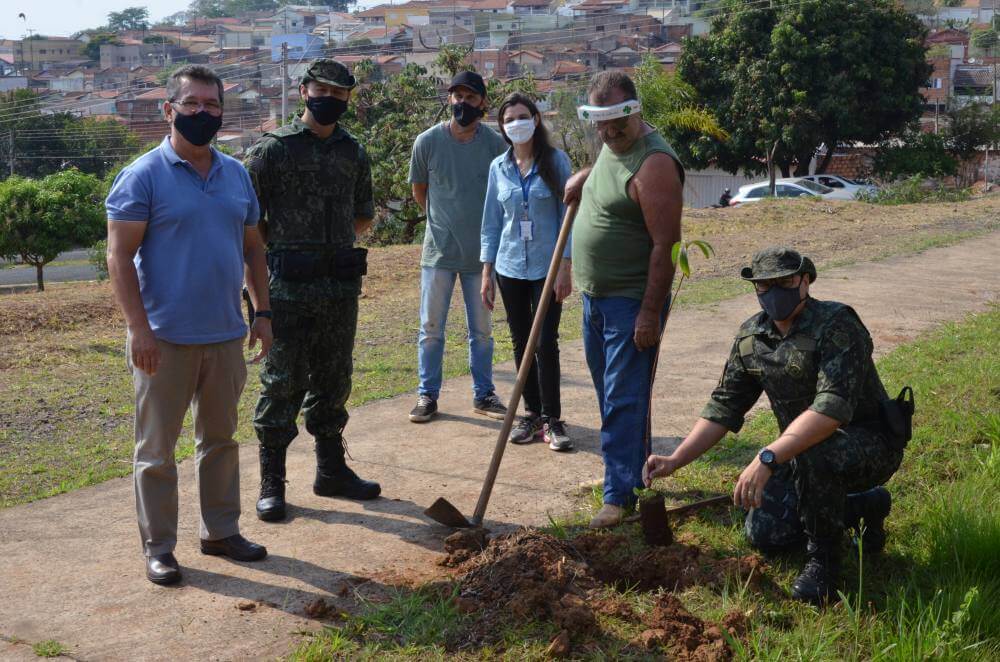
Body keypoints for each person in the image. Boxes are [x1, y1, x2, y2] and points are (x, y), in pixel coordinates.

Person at [643, 247, 904, 605]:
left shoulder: (837, 324)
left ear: (805, 280)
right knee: (766, 534)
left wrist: (768, 457)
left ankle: (825, 561)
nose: (773, 292)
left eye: (784, 282)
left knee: (816, 453)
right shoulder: (752, 337)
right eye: (763, 286)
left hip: (868, 443)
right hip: (798, 450)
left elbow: (830, 410)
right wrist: (676, 460)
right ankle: (861, 507)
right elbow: (724, 405)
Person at [105, 64, 271, 585]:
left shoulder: (236, 174)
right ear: (169, 109)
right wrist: (138, 329)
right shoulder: (143, 175)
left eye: (212, 105)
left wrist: (262, 313)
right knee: (156, 452)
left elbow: (252, 248)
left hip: (224, 334)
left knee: (220, 441)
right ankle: (159, 547)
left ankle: (220, 532)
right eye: (192, 104)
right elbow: (118, 255)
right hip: (165, 339)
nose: (203, 113)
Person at [244, 59, 381, 523]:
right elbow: (249, 223)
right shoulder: (272, 151)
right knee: (282, 383)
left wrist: (331, 247)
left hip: (338, 286)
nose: (330, 99)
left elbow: (362, 215)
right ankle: (272, 483)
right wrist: (285, 251)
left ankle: (331, 472)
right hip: (286, 287)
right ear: (304, 92)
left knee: (333, 380)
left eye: (339, 94)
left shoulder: (353, 152)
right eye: (322, 90)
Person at [564, 71, 685, 529]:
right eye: (602, 126)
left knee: (622, 398)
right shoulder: (613, 146)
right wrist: (585, 174)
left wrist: (649, 313)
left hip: (631, 302)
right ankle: (631, 473)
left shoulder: (655, 164)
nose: (610, 135)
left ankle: (618, 498)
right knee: (612, 393)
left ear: (635, 112)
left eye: (618, 125)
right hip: (597, 298)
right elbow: (613, 167)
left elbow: (665, 245)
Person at [408, 71, 509, 423]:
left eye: (470, 97)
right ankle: (427, 396)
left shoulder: (495, 145)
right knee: (431, 329)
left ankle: (484, 394)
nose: (462, 103)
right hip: (438, 254)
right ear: (449, 99)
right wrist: (440, 223)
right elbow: (420, 191)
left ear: (482, 102)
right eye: (457, 96)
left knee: (482, 332)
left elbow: (502, 198)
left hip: (481, 258)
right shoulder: (427, 142)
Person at [480, 93, 574, 451]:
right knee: (521, 340)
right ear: (502, 128)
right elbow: (491, 222)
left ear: (535, 119)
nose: (516, 123)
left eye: (522, 116)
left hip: (547, 268)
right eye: (508, 119)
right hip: (509, 267)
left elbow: (570, 215)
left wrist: (565, 265)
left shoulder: (556, 161)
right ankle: (531, 413)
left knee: (546, 342)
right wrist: (487, 271)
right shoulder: (498, 168)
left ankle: (553, 418)